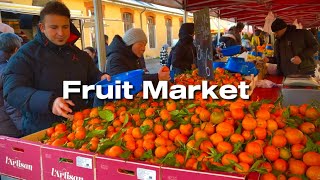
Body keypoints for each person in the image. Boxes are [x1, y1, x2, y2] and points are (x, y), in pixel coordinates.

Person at [2, 1, 110, 135]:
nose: (61, 33)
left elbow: (92, 75)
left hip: (80, 128)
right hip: (43, 132)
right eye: (54, 27)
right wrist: (49, 101)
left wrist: (101, 77)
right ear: (42, 27)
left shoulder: (78, 54)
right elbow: (12, 91)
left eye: (65, 27)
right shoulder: (25, 55)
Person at [106, 28, 170, 85]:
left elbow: (140, 77)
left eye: (144, 45)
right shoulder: (115, 58)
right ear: (130, 43)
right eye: (140, 44)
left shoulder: (132, 57)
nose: (143, 48)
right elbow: (127, 82)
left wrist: (160, 78)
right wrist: (157, 77)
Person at [0, 33, 23, 137]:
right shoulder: (9, 70)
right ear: (16, 50)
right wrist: (25, 129)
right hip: (8, 125)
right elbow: (13, 106)